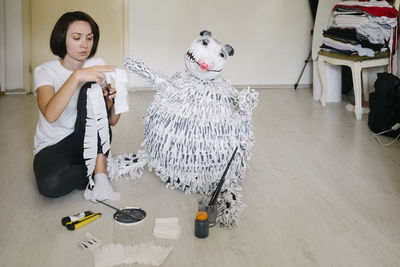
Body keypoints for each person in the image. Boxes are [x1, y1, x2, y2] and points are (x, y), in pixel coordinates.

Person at [33, 11, 120, 200]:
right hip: (53, 144)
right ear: (62, 39)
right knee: (50, 184)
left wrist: (112, 101)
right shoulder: (45, 71)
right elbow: (50, 114)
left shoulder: (97, 64)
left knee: (90, 87)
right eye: (76, 38)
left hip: (85, 137)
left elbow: (112, 121)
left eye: (89, 38)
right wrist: (77, 76)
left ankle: (100, 172)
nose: (84, 44)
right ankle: (94, 167)